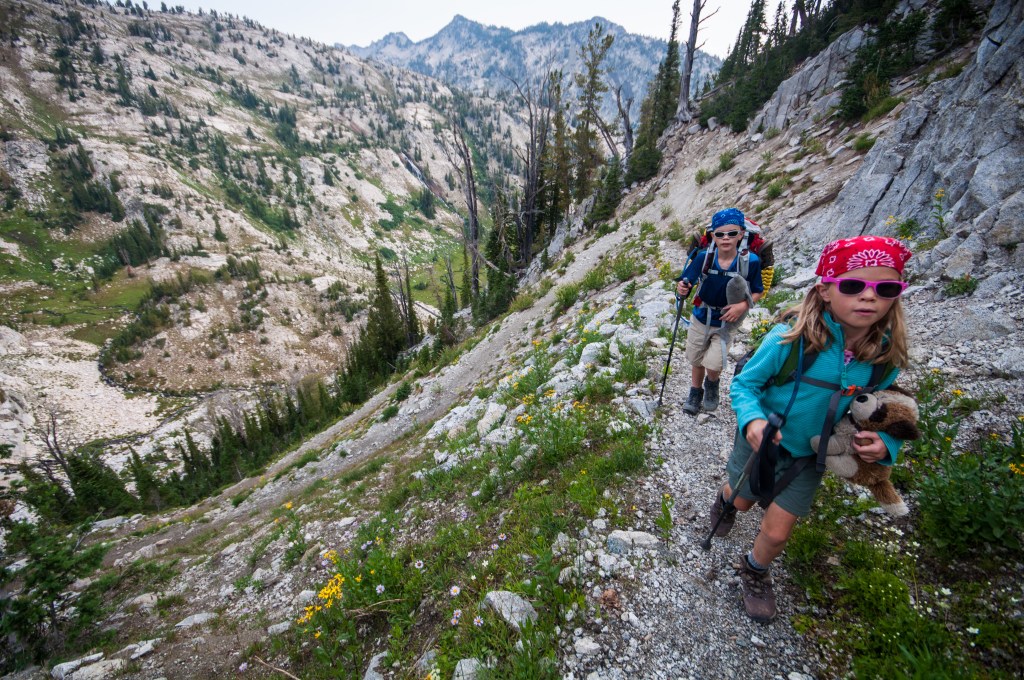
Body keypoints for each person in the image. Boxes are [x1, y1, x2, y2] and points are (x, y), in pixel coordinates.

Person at [710, 235, 913, 622]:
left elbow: (890, 409)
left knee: (778, 533)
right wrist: (752, 419)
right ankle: (725, 501)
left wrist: (885, 443)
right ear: (824, 290)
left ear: (896, 296)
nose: (869, 297)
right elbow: (745, 384)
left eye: (885, 288)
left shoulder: (884, 358)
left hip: (811, 457)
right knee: (743, 498)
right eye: (853, 286)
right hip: (760, 441)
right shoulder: (790, 340)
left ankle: (755, 569)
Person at [676, 208, 764, 415]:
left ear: (741, 234)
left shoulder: (750, 261)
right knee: (696, 359)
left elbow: (758, 291)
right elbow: (686, 282)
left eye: (732, 233)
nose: (726, 238)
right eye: (720, 234)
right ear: (713, 235)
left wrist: (743, 306)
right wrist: (682, 288)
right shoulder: (703, 258)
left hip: (727, 322)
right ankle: (695, 391)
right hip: (700, 316)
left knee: (715, 363)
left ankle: (712, 384)